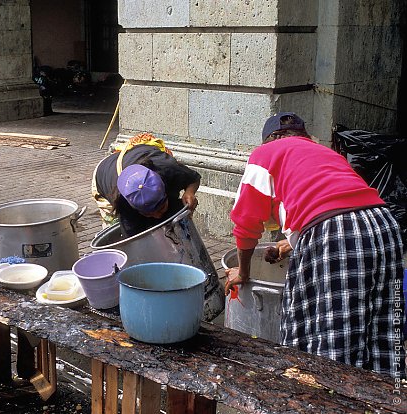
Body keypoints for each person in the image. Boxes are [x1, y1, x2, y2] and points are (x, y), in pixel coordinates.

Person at [225, 112, 405, 378]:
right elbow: (335, 203)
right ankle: (388, 398)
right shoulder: (325, 153)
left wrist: (244, 271)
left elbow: (246, 224)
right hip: (384, 225)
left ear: (268, 140)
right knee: (384, 331)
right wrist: (287, 246)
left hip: (335, 233)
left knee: (334, 337)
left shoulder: (265, 154)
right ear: (304, 136)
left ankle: (331, 398)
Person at [92, 132, 201, 237]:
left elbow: (194, 179)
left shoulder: (168, 168)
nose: (157, 216)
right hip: (105, 174)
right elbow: (132, 241)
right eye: (148, 213)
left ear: (164, 192)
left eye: (161, 208)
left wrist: (189, 192)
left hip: (140, 155)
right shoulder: (122, 202)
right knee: (117, 229)